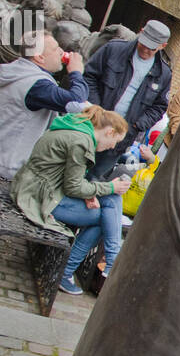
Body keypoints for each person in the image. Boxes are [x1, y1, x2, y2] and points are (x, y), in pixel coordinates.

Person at [11, 106, 131, 294]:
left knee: (109, 207)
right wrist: (109, 188)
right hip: (39, 198)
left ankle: (97, 264)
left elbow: (70, 179)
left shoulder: (76, 127)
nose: (113, 147)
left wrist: (92, 193)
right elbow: (73, 187)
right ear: (109, 132)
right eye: (115, 141)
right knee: (106, 214)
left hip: (34, 188)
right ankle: (78, 269)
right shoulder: (81, 142)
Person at [83, 20, 172, 179]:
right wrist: (96, 109)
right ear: (141, 31)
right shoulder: (113, 49)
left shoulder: (164, 74)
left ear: (163, 46)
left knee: (94, 179)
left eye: (151, 47)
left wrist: (137, 125)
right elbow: (89, 76)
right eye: (143, 43)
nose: (145, 49)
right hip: (92, 125)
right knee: (72, 171)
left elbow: (159, 107)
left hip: (121, 138)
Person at [0, 32, 89, 178]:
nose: (61, 51)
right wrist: (76, 72)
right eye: (55, 48)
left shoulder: (14, 71)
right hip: (7, 170)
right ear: (39, 57)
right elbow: (76, 100)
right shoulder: (36, 84)